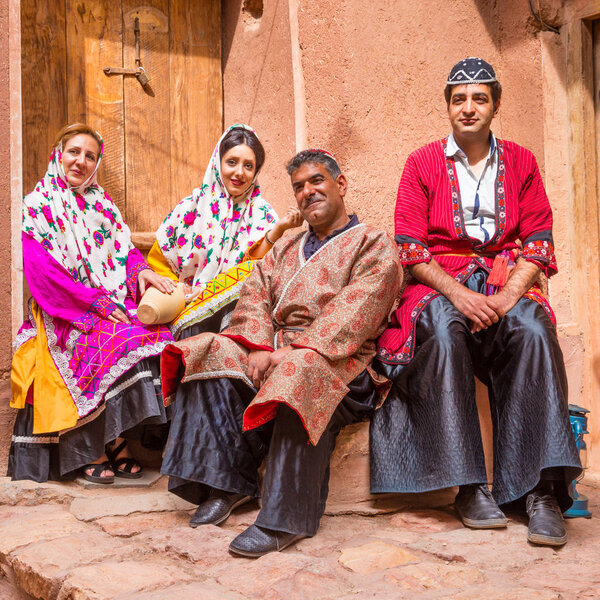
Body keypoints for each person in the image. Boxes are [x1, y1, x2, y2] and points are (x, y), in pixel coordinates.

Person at [371, 58, 581, 547]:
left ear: (496, 105)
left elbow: (539, 241)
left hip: (507, 278)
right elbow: (410, 249)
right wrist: (461, 294)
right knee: (441, 329)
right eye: (459, 99)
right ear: (447, 106)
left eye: (479, 98)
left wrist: (508, 296)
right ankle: (469, 487)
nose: (469, 108)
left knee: (531, 327)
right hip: (442, 281)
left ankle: (539, 492)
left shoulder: (522, 161)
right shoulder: (420, 163)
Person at [160, 149, 400, 556]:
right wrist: (255, 345)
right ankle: (227, 483)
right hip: (271, 351)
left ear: (340, 185)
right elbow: (254, 294)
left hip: (338, 363)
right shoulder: (285, 247)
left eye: (317, 181)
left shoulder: (372, 243)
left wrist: (293, 350)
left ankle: (283, 520)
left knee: (300, 367)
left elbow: (357, 311)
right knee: (207, 348)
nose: (308, 192)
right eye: (299, 187)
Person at [8, 123, 174, 484]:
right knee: (112, 342)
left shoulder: (103, 205)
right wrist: (92, 302)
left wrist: (141, 273)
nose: (80, 162)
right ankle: (91, 449)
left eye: (89, 156)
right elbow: (42, 274)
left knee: (156, 336)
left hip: (107, 301)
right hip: (63, 309)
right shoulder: (38, 206)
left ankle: (114, 440)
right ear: (59, 153)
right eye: (74, 152)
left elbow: (124, 251)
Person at [146, 124, 303, 340]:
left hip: (238, 315)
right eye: (231, 162)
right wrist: (176, 286)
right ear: (217, 163)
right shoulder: (190, 207)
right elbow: (158, 261)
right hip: (185, 311)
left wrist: (277, 231)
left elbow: (257, 271)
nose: (239, 172)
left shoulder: (263, 214)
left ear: (256, 171)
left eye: (248, 166)